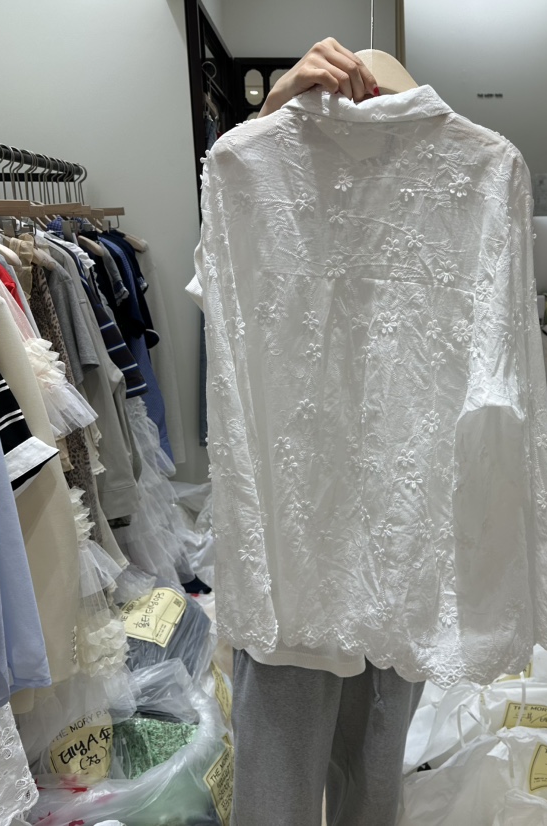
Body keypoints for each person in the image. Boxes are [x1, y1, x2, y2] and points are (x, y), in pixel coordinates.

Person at [227, 39, 424, 826]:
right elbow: (223, 296)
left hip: (401, 539)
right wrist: (271, 120)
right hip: (290, 547)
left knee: (375, 767)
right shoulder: (260, 182)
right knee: (275, 773)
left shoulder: (455, 193)